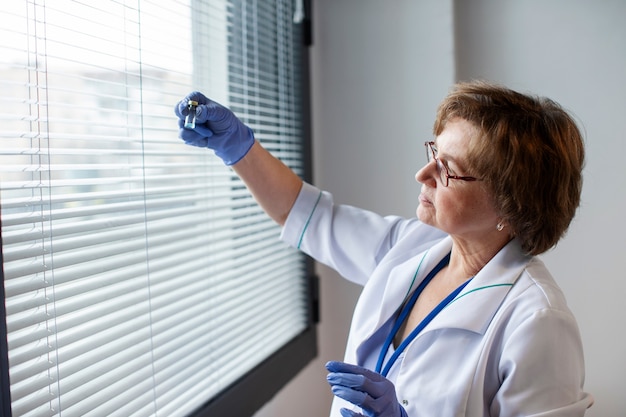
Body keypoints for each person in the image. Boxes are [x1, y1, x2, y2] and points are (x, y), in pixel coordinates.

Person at [174, 81, 593, 417]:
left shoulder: (538, 322)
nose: (422, 173)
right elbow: (310, 218)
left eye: (448, 169)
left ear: (510, 203)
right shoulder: (414, 247)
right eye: (434, 152)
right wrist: (238, 148)